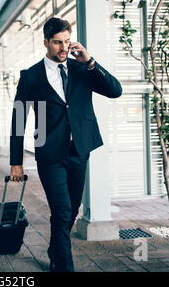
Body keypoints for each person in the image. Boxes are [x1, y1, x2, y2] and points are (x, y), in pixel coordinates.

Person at [9, 17, 122, 272]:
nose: (63, 48)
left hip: (79, 151)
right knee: (61, 212)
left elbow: (115, 91)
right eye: (57, 43)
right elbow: (18, 121)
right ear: (45, 43)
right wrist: (16, 162)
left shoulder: (83, 69)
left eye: (67, 42)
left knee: (71, 211)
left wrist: (90, 62)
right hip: (49, 153)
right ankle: (63, 267)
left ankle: (54, 250)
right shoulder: (31, 76)